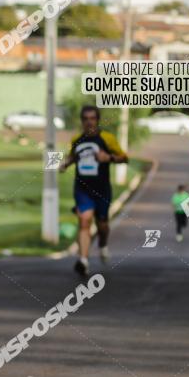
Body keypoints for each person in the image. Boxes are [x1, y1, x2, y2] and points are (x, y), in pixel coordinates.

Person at [59, 105, 129, 276]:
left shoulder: (107, 139)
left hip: (102, 190)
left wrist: (109, 157)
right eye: (85, 119)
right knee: (84, 220)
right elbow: (74, 155)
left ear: (97, 120)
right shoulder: (77, 139)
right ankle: (83, 260)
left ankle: (103, 244)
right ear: (81, 121)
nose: (89, 122)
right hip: (82, 189)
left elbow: (124, 158)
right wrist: (66, 163)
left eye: (92, 118)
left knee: (102, 225)